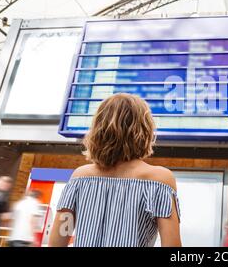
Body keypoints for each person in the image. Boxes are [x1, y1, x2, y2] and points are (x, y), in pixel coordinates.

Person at [48, 93, 181, 247]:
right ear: (144, 130)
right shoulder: (160, 180)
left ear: (98, 129)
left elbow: (59, 240)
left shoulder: (79, 178)